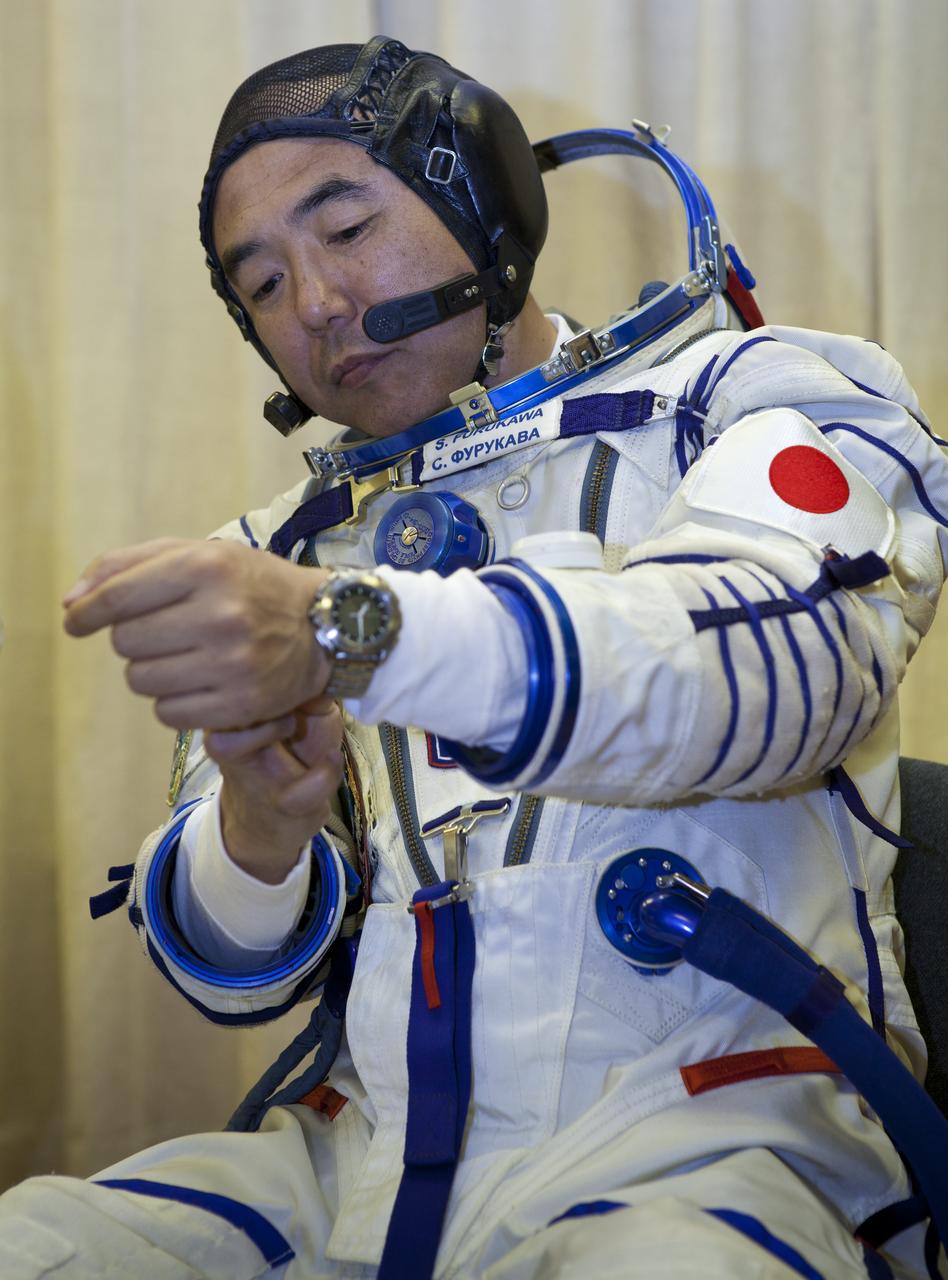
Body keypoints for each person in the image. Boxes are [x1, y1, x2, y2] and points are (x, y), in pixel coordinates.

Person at [1, 33, 945, 1280]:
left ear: (481, 203)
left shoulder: (762, 399)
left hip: (711, 1139)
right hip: (367, 1159)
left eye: (345, 230)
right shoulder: (283, 550)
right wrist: (259, 829)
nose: (321, 307)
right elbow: (230, 981)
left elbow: (767, 668)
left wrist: (358, 633)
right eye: (265, 284)